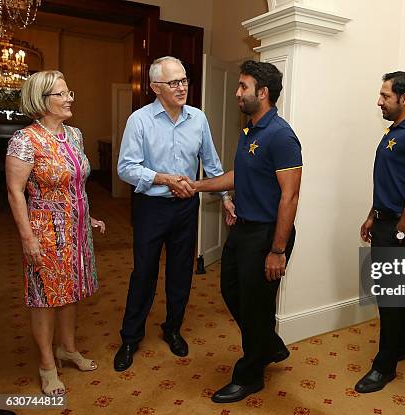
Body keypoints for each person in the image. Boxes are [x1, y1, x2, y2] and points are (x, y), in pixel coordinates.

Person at [189, 60, 302, 403]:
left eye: (243, 87)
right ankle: (269, 345)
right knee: (230, 290)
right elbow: (238, 176)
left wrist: (278, 250)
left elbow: (290, 195)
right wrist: (197, 185)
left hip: (268, 235)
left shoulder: (281, 135)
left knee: (256, 307)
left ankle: (250, 375)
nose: (237, 93)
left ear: (262, 93)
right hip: (243, 228)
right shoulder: (249, 130)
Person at [114, 56, 235, 372]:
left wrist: (224, 197)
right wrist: (164, 178)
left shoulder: (198, 119)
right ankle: (130, 338)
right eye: (174, 82)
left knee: (181, 272)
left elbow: (211, 162)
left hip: (186, 208)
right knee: (144, 272)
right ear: (155, 87)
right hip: (151, 208)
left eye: (184, 81)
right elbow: (126, 168)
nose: (182, 88)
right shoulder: (139, 121)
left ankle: (173, 328)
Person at [6, 70, 106, 396]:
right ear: (42, 101)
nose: (69, 99)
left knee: (72, 292)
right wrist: (27, 238)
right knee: (44, 298)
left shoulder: (74, 135)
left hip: (77, 230)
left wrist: (87, 218)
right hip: (46, 232)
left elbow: (77, 183)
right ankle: (47, 364)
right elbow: (15, 192)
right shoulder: (25, 140)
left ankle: (67, 348)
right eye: (61, 94)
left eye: (69, 92)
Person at [355, 71, 405, 393]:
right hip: (387, 219)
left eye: (385, 96)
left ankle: (384, 365)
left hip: (404, 224)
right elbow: (391, 181)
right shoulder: (396, 131)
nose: (380, 101)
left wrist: (401, 231)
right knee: (390, 290)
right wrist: (374, 215)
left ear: (404, 99)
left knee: (388, 294)